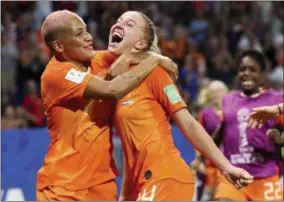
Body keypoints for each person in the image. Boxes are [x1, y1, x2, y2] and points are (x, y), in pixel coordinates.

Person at [103, 11, 253, 201]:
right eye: (118, 21)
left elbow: (188, 123)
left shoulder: (155, 74)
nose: (118, 24)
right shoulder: (116, 83)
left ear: (141, 43)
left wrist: (226, 167)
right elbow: (130, 148)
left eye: (129, 24)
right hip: (142, 184)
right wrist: (126, 194)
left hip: (167, 177)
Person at [36, 10, 177, 201]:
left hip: (102, 187)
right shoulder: (55, 74)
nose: (88, 37)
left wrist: (155, 58)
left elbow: (132, 54)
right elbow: (113, 90)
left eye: (86, 30)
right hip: (63, 187)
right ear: (59, 46)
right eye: (79, 34)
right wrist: (154, 60)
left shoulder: (97, 59)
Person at [213, 50, 283, 201]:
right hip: (234, 176)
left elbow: (281, 129)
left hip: (266, 176)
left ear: (262, 74)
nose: (247, 73)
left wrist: (279, 137)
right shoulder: (228, 100)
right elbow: (221, 133)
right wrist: (201, 158)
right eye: (242, 69)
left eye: (252, 69)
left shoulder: (276, 99)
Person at [191, 80, 229, 201]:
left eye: (218, 91)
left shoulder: (232, 112)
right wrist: (198, 159)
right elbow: (198, 138)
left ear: (226, 92)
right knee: (211, 196)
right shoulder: (205, 114)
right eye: (212, 92)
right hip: (211, 165)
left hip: (231, 163)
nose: (216, 94)